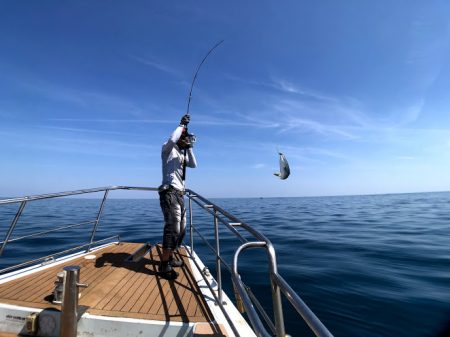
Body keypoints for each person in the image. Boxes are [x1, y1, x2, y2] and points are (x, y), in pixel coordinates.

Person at [158, 114, 197, 279]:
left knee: (181, 229)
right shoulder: (167, 148)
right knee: (172, 227)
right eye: (185, 138)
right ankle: (164, 265)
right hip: (169, 192)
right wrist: (181, 125)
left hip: (180, 195)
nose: (186, 140)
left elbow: (194, 164)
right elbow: (173, 138)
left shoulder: (182, 154)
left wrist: (189, 147)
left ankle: (171, 256)